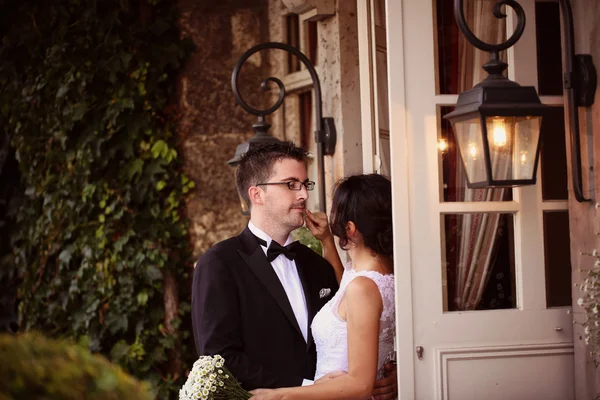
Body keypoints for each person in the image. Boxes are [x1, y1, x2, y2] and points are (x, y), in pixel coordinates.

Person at [192, 141, 397, 399]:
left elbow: (358, 332)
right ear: (257, 194)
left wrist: (392, 373)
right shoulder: (219, 263)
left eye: (304, 184)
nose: (303, 194)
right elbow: (218, 359)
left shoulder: (317, 265)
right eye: (291, 184)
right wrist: (305, 386)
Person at [249, 173, 395, 400]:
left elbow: (360, 384)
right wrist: (327, 240)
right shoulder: (379, 275)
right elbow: (345, 291)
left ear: (350, 227)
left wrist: (280, 396)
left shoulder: (363, 287)